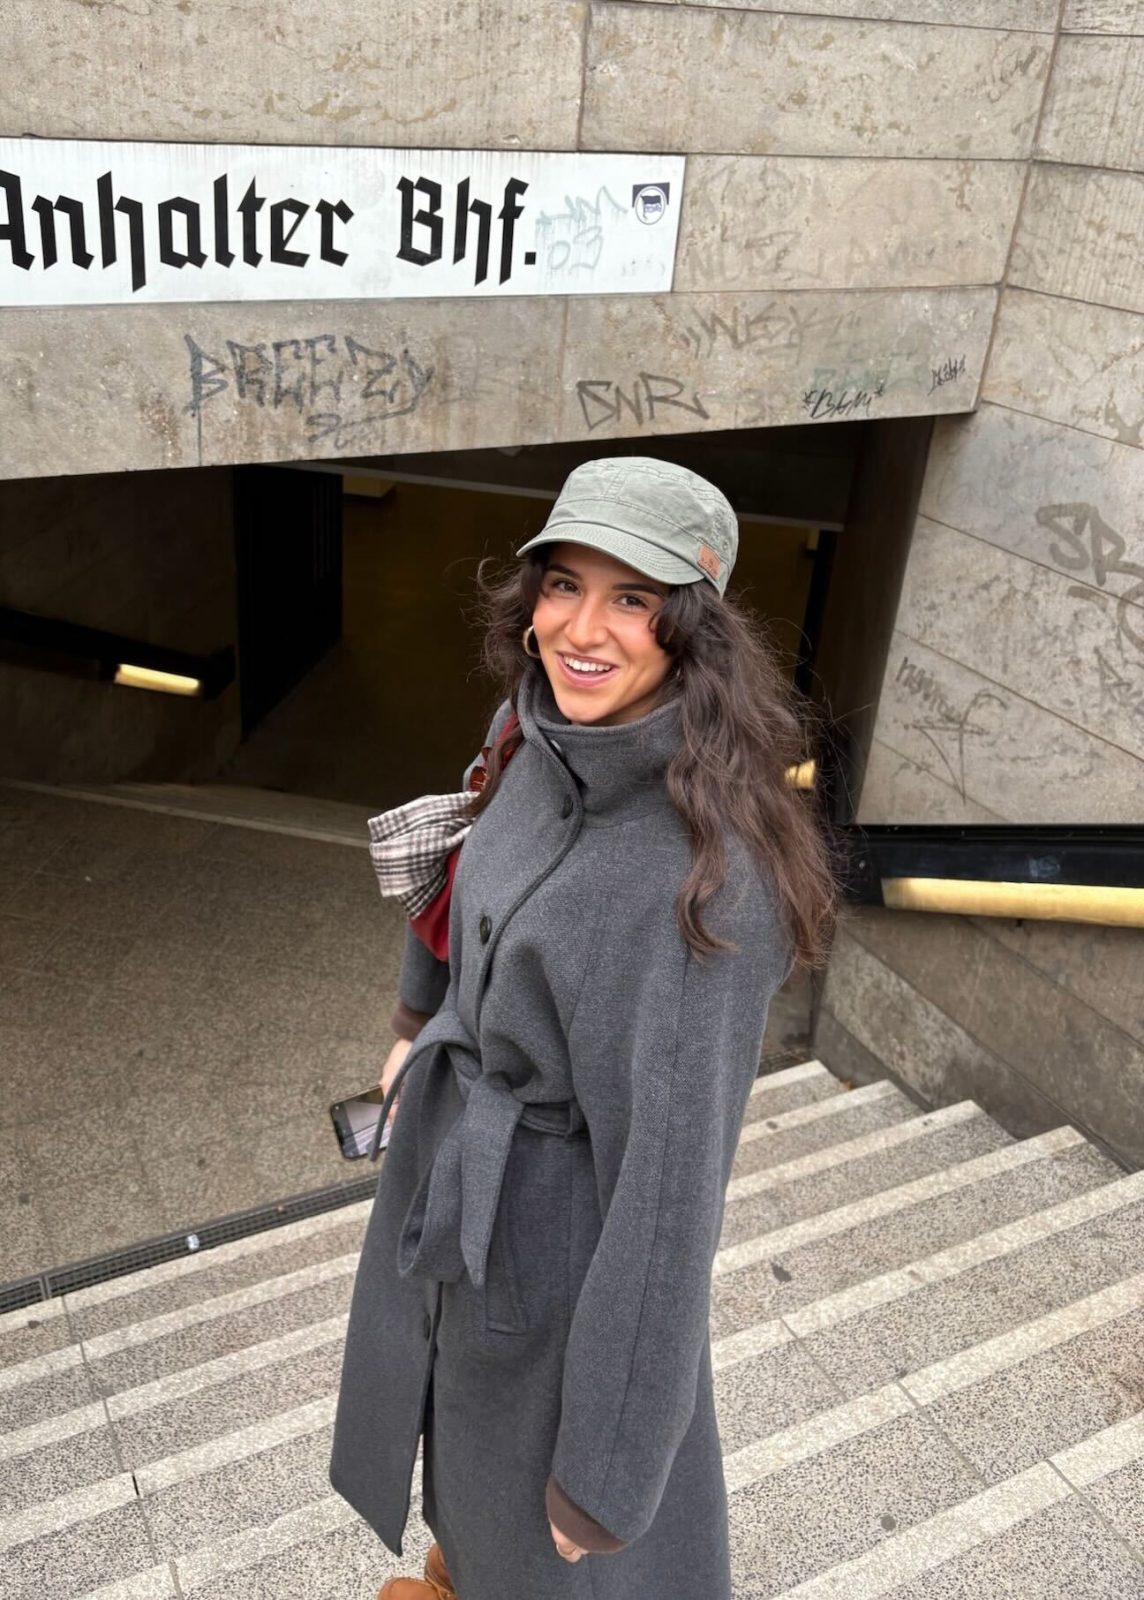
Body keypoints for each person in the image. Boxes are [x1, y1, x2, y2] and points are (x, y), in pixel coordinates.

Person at [329, 456, 841, 1600]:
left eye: (632, 597)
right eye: (563, 584)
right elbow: (460, 863)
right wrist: (418, 1015)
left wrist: (605, 1474)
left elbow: (667, 1203)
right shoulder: (533, 730)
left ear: (691, 629)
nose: (581, 628)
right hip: (468, 1196)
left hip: (563, 1267)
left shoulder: (707, 886)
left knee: (558, 1549)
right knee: (471, 1490)